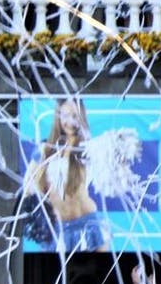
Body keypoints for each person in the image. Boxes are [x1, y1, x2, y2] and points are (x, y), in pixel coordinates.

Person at [25, 99, 107, 253]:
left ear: (81, 118)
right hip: (57, 230)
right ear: (58, 117)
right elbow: (28, 189)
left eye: (75, 116)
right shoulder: (44, 149)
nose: (70, 121)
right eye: (65, 115)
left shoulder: (89, 148)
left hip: (89, 225)